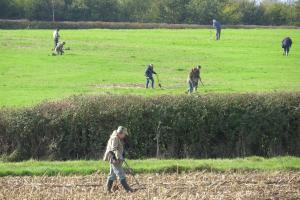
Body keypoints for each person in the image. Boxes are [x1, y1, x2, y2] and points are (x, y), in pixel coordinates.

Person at [103, 126, 134, 193]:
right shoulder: (115, 138)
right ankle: (128, 189)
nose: (124, 136)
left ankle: (107, 189)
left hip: (114, 158)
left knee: (112, 175)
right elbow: (114, 150)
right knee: (121, 173)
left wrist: (121, 155)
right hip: (114, 158)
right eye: (124, 134)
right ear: (120, 133)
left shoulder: (117, 137)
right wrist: (119, 157)